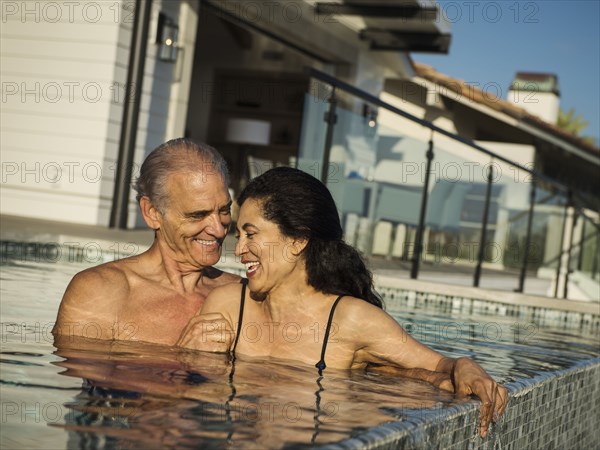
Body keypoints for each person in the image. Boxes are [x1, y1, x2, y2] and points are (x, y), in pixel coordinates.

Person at [177, 166, 508, 438]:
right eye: (239, 235)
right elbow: (184, 395)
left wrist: (466, 365)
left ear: (298, 240)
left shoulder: (349, 319)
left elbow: (440, 366)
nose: (239, 250)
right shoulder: (228, 304)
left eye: (251, 234)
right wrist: (191, 359)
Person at [52, 138, 239, 345]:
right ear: (152, 212)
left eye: (224, 210)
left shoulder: (241, 293)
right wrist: (186, 357)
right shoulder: (102, 291)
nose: (218, 229)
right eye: (198, 215)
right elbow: (80, 373)